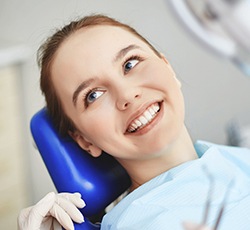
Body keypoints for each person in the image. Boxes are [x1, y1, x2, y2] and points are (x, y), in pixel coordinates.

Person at [18, 14, 250, 230]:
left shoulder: (236, 160)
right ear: (84, 140)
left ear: (168, 68)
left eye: (130, 63)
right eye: (93, 95)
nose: (127, 95)